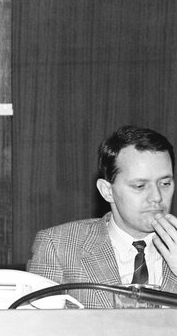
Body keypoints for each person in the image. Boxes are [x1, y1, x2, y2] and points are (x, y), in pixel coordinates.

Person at [27, 125, 177, 308]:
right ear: (107, 191)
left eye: (165, 183)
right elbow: (35, 330)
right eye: (140, 186)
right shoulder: (58, 246)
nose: (157, 197)